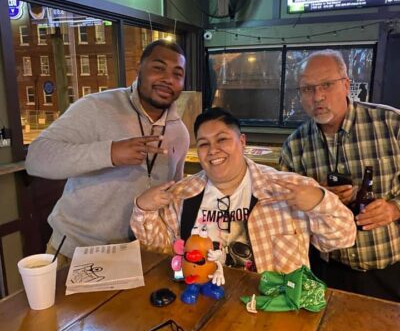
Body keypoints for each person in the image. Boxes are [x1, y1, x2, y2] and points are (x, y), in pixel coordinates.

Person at [130, 107, 356, 279]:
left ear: (242, 141)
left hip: (271, 311)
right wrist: (143, 209)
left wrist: (319, 202)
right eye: (204, 144)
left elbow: (343, 238)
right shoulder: (182, 193)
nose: (213, 150)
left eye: (222, 139)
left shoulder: (286, 188)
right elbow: (159, 249)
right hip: (199, 303)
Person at [26, 39, 190, 265]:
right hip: (75, 250)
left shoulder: (179, 133)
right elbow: (36, 157)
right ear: (139, 69)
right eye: (158, 68)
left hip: (138, 255)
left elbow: (173, 198)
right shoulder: (96, 106)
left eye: (177, 74)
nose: (168, 79)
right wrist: (110, 153)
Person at [280, 49, 400, 301]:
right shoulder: (295, 146)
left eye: (326, 85)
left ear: (346, 85)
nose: (318, 96)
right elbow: (285, 218)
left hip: (390, 270)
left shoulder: (391, 124)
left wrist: (394, 209)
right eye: (307, 89)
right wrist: (316, 200)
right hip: (327, 272)